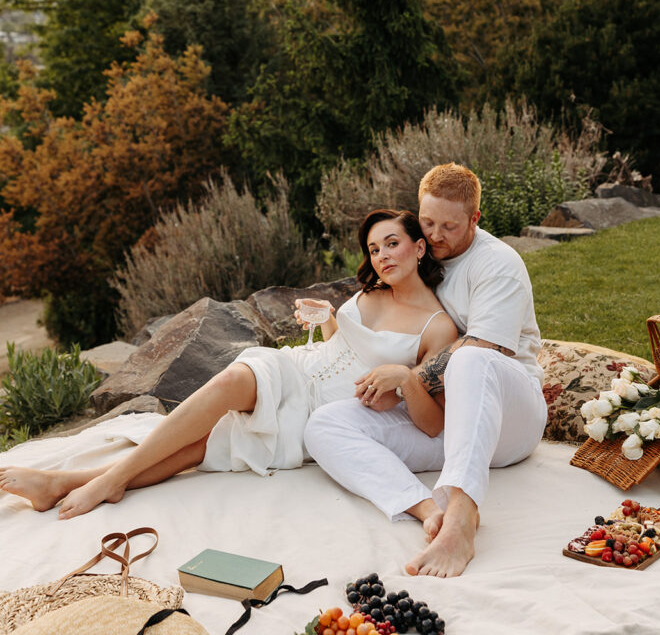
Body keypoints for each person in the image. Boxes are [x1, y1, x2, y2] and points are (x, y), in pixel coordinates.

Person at [0, 209, 458, 521]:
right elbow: (345, 348)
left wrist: (403, 379)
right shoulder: (372, 292)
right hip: (298, 368)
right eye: (374, 249)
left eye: (392, 243)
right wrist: (329, 319)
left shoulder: (437, 328)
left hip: (325, 411)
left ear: (420, 248)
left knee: (205, 447)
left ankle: (65, 482)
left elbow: (434, 423)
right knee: (235, 378)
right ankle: (112, 479)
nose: (381, 256)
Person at [304, 163, 547, 578]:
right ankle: (428, 510)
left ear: (475, 218)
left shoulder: (497, 264)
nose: (435, 235)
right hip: (442, 419)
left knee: (469, 357)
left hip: (510, 419)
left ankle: (461, 520)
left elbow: (484, 347)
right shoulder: (424, 253)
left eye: (449, 227)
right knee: (325, 424)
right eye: (428, 222)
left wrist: (406, 380)